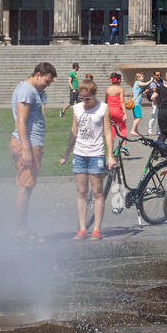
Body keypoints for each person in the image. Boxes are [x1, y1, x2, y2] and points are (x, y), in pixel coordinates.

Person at [59, 82, 114, 240]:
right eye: (81, 98)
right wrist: (66, 154)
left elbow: (108, 133)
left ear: (94, 95)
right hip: (79, 154)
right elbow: (73, 132)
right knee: (81, 191)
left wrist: (110, 155)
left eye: (87, 98)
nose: (84, 101)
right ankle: (82, 228)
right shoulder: (77, 109)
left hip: (96, 153)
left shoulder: (103, 108)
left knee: (97, 192)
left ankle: (96, 229)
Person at [10, 62, 56, 242]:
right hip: (27, 144)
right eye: (46, 81)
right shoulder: (27, 90)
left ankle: (23, 228)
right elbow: (21, 121)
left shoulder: (31, 90)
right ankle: (21, 231)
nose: (47, 85)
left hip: (28, 143)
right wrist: (26, 149)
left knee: (24, 188)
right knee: (25, 189)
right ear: (38, 74)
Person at [106, 72, 128, 153]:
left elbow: (106, 102)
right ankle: (124, 146)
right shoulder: (120, 89)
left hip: (110, 111)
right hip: (118, 111)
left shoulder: (108, 90)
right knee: (122, 128)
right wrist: (125, 113)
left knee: (112, 130)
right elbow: (122, 101)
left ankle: (110, 149)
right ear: (118, 80)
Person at [130, 72, 149, 137]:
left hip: (136, 103)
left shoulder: (137, 83)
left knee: (136, 117)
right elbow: (146, 84)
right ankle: (132, 130)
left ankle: (136, 131)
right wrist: (151, 80)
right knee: (139, 117)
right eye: (142, 76)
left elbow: (139, 94)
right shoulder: (138, 82)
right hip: (136, 103)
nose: (143, 77)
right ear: (138, 77)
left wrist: (144, 92)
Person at [148, 70, 165, 135]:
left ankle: (159, 131)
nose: (159, 76)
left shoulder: (162, 81)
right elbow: (155, 90)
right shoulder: (153, 83)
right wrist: (163, 88)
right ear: (154, 76)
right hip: (155, 101)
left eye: (160, 75)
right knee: (153, 117)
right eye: (157, 75)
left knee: (160, 117)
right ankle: (150, 131)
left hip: (162, 101)